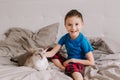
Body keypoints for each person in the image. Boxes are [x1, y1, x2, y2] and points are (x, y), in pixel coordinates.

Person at [45, 9, 95, 80]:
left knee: (72, 67)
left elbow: (91, 62)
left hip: (78, 62)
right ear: (65, 25)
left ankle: (79, 77)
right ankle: (62, 67)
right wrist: (42, 54)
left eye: (76, 24)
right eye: (69, 25)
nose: (73, 28)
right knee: (49, 49)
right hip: (68, 61)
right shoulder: (65, 37)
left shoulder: (83, 41)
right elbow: (52, 52)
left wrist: (73, 60)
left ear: (82, 25)